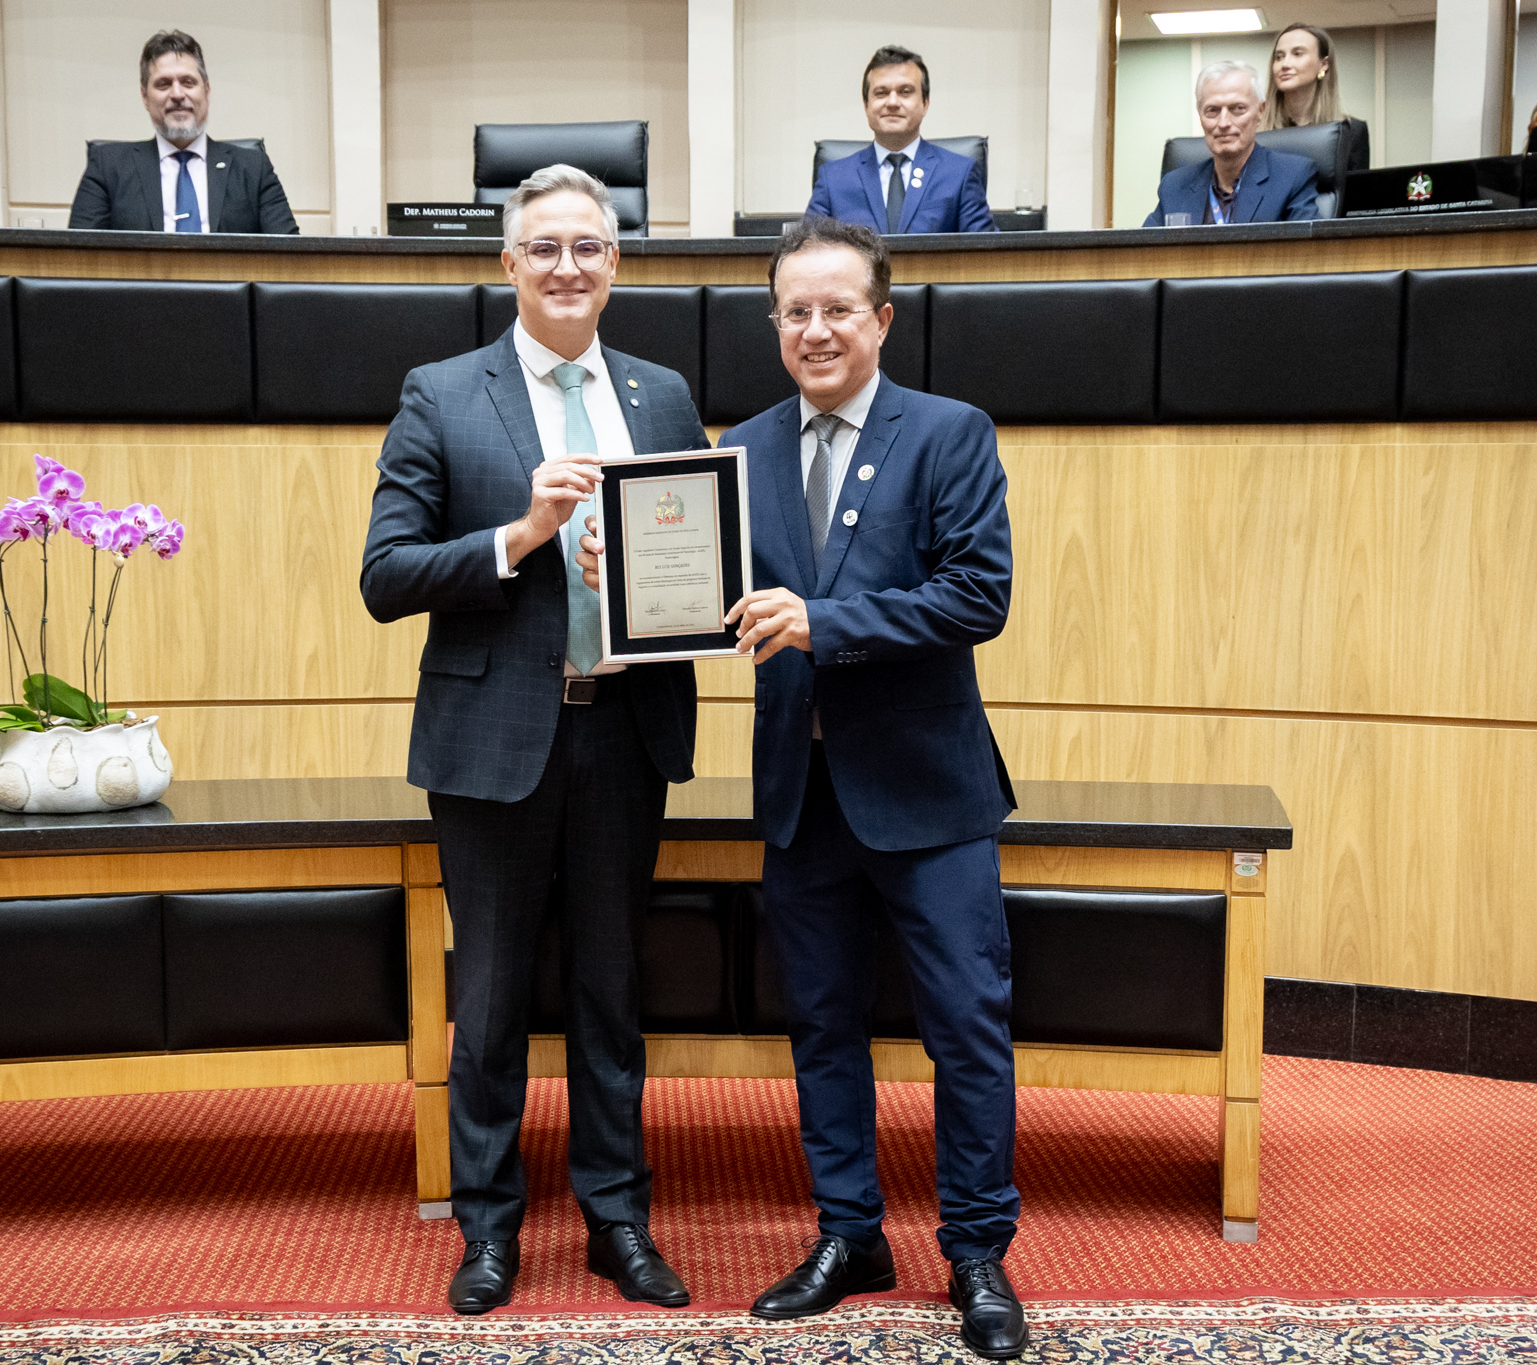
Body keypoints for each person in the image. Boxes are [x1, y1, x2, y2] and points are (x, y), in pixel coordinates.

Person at [583, 216, 1024, 1357]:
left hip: (928, 795)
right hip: (800, 790)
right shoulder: (743, 450)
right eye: (795, 312)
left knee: (966, 1032)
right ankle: (849, 1234)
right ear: (774, 324)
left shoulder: (950, 433)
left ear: (881, 320)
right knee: (822, 1027)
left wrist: (827, 621)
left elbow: (977, 596)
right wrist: (620, 569)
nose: (815, 330)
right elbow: (707, 599)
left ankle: (977, 1251)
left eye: (837, 310)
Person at [360, 164, 707, 1316]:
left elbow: (698, 561)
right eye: (544, 247)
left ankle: (617, 1219)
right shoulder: (440, 394)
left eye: (587, 247)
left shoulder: (661, 396)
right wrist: (522, 534)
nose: (567, 266)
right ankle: (488, 1227)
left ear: (616, 264)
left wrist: (661, 584)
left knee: (610, 992)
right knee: (494, 997)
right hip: (492, 742)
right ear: (508, 263)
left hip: (624, 733)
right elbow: (385, 576)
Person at [69, 30, 297, 233]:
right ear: (145, 97)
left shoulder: (253, 168)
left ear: (206, 90)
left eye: (188, 82)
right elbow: (76, 257)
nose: (177, 94)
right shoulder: (107, 167)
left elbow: (290, 257)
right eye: (163, 84)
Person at [807, 45, 997, 234]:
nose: (892, 102)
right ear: (866, 105)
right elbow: (808, 247)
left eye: (905, 92)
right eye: (881, 93)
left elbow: (985, 249)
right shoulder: (833, 178)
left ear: (925, 103)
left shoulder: (959, 173)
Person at [1146, 63, 1318, 226]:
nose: (1223, 123)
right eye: (1212, 110)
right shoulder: (1175, 186)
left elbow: (1308, 246)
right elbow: (1144, 246)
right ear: (1200, 116)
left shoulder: (1292, 176)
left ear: (1260, 111)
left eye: (1238, 109)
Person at [1263, 23, 1370, 170]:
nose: (1285, 64)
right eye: (1279, 57)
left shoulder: (1352, 131)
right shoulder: (1256, 131)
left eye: (1297, 54)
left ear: (1323, 64)